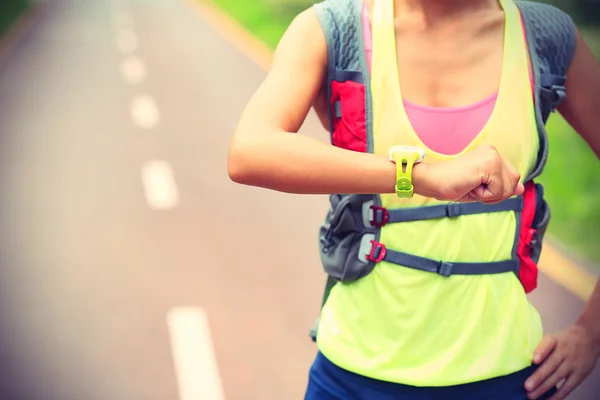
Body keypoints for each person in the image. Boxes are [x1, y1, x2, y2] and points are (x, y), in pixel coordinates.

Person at [227, 0, 600, 398]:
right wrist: (420, 177)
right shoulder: (334, 28)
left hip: (504, 375)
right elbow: (250, 151)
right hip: (351, 377)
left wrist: (589, 334)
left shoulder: (545, 37)